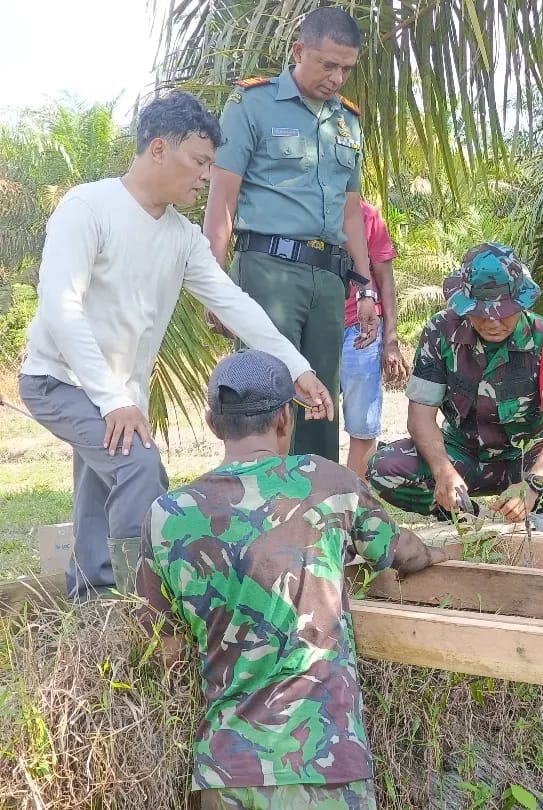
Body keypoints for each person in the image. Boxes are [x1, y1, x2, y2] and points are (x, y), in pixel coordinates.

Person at [18, 92, 332, 601]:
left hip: (119, 395)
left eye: (211, 164)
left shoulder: (182, 238)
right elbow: (61, 307)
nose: (206, 175)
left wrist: (295, 367)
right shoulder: (88, 208)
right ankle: (134, 604)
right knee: (138, 466)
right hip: (60, 381)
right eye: (199, 161)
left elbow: (235, 304)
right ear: (159, 149)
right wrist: (113, 399)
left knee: (102, 486)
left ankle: (89, 608)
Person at [135, 349, 449, 810]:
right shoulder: (329, 483)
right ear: (286, 416)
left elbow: (159, 646)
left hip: (226, 775)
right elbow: (402, 553)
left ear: (212, 423)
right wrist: (439, 552)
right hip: (327, 766)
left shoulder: (168, 515)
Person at [204, 6, 378, 464]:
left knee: (323, 400)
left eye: (346, 68)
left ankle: (319, 510)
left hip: (328, 279)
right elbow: (222, 199)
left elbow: (351, 213)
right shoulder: (252, 104)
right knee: (265, 394)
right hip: (268, 270)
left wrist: (365, 288)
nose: (337, 77)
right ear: (298, 51)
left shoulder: (349, 123)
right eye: (327, 64)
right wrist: (215, 288)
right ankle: (260, 507)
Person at [368, 242, 543, 522]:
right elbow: (420, 418)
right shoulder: (439, 332)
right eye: (481, 312)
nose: (493, 322)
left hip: (528, 459)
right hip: (462, 457)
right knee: (385, 467)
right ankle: (465, 516)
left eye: (504, 311)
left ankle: (529, 514)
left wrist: (533, 486)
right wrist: (443, 471)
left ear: (522, 302)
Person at [340, 199, 408, 478]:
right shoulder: (302, 208)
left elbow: (385, 277)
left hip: (361, 329)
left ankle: (353, 502)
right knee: (310, 417)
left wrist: (390, 340)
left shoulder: (367, 215)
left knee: (362, 424)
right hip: (312, 326)